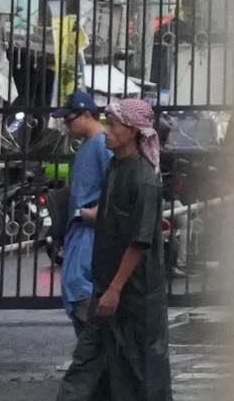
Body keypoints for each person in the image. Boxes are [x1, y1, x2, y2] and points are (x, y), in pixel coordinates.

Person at [57, 98, 170, 401]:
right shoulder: (115, 168)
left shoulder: (144, 179)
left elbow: (139, 241)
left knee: (140, 369)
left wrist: (115, 289)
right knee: (89, 361)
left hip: (136, 293)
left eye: (114, 125)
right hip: (105, 284)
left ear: (131, 131)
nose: (107, 130)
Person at [60, 91, 113, 326]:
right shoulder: (88, 144)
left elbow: (114, 189)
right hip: (79, 226)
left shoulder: (101, 144)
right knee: (74, 286)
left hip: (90, 227)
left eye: (69, 119)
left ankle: (95, 338)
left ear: (85, 115)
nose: (66, 124)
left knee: (78, 286)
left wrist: (97, 212)